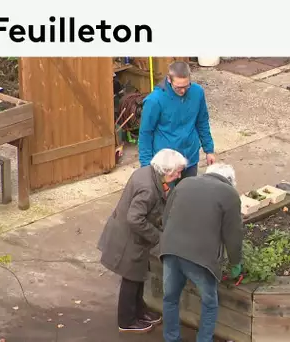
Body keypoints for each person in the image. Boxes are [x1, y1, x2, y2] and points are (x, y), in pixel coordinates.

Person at [97, 148, 188, 333]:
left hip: (131, 237)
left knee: (137, 276)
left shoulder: (147, 173)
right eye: (177, 171)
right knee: (131, 278)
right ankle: (127, 320)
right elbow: (135, 218)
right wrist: (158, 237)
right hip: (129, 240)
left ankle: (139, 310)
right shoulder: (148, 188)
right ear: (166, 170)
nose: (179, 175)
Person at [158, 163, 244, 342]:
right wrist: (235, 262)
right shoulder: (229, 194)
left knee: (170, 298)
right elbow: (233, 234)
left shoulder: (184, 183)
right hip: (200, 257)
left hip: (170, 249)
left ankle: (171, 338)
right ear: (230, 181)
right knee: (209, 303)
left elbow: (166, 218)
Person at [138, 61, 216, 184]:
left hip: (190, 157)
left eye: (186, 86)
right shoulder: (154, 100)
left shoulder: (197, 92)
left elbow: (202, 122)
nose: (183, 91)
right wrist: (146, 167)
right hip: (166, 165)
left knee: (187, 197)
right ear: (169, 79)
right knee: (168, 201)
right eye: (178, 87)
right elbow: (145, 134)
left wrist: (209, 149)